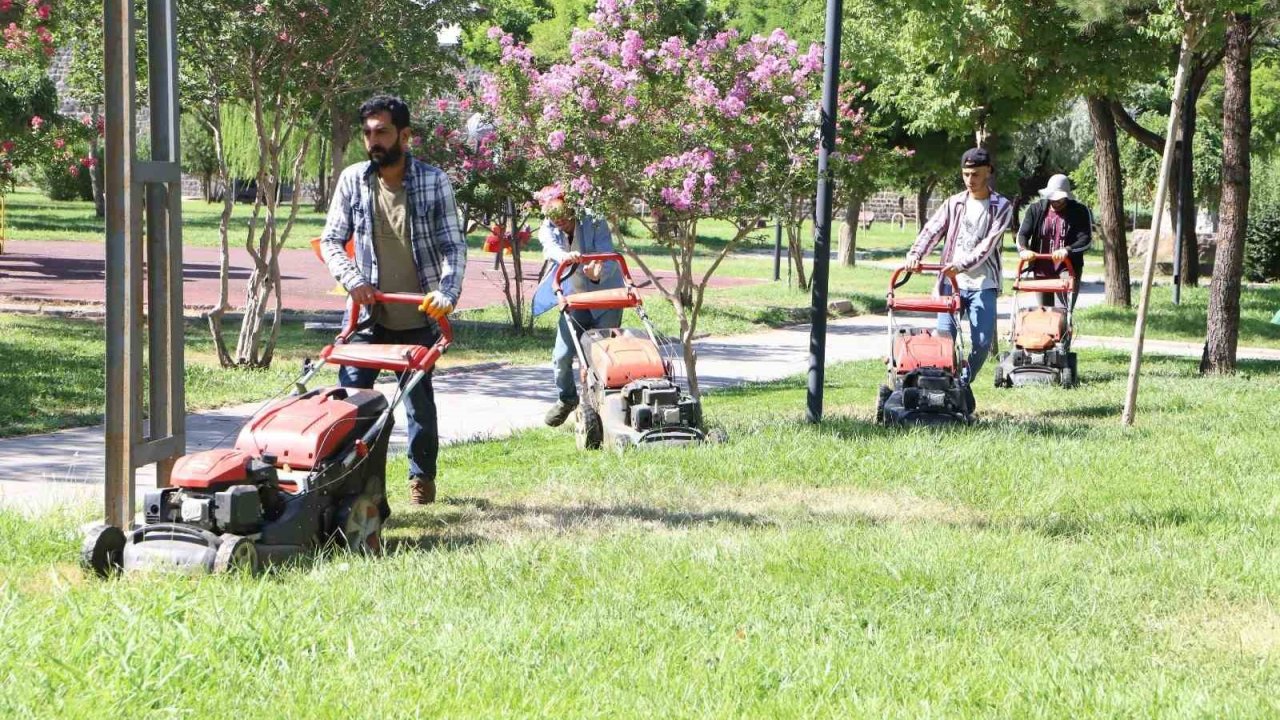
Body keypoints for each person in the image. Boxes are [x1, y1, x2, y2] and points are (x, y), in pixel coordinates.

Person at [319, 94, 467, 505]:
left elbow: (454, 246)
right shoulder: (353, 180)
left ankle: (421, 477)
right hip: (367, 315)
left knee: (418, 401)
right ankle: (346, 481)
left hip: (418, 312)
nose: (373, 141)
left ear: (405, 134)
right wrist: (352, 280)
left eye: (382, 131)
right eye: (367, 133)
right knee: (350, 402)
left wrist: (446, 292)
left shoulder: (433, 181)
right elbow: (332, 240)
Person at [905, 147, 1013, 382]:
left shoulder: (1002, 207)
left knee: (983, 342)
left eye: (975, 174)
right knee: (944, 340)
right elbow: (932, 230)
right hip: (950, 284)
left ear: (988, 172)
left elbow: (987, 246)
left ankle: (962, 382)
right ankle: (942, 387)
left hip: (983, 283)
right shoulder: (954, 203)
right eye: (965, 174)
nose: (969, 180)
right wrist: (916, 254)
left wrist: (961, 265)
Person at [531, 185, 625, 427]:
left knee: (602, 355)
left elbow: (607, 253)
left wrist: (598, 271)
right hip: (573, 299)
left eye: (564, 217)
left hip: (605, 298)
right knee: (561, 355)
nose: (560, 223)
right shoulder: (549, 227)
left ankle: (606, 405)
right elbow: (549, 247)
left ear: (572, 208)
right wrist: (563, 256)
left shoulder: (594, 220)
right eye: (555, 219)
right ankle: (567, 398)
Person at [1016, 173, 1092, 308]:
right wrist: (1023, 249)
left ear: (1066, 196)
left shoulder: (1079, 211)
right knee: (1044, 312)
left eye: (1059, 199)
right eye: (1052, 198)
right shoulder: (1036, 210)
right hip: (1041, 269)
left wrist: (1067, 250)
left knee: (1062, 313)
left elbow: (1085, 239)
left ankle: (1064, 328)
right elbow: (1022, 234)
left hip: (1066, 269)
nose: (1055, 202)